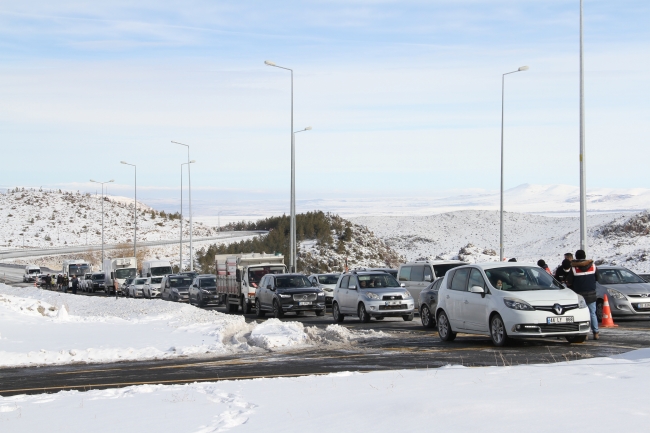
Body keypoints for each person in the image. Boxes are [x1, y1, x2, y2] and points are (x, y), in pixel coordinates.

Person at [571, 249, 599, 340]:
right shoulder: (593, 266)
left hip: (579, 295)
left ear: (576, 257)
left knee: (582, 314)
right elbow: (598, 278)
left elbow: (569, 281)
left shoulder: (574, 268)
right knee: (592, 313)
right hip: (591, 293)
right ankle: (596, 332)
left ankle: (585, 333)